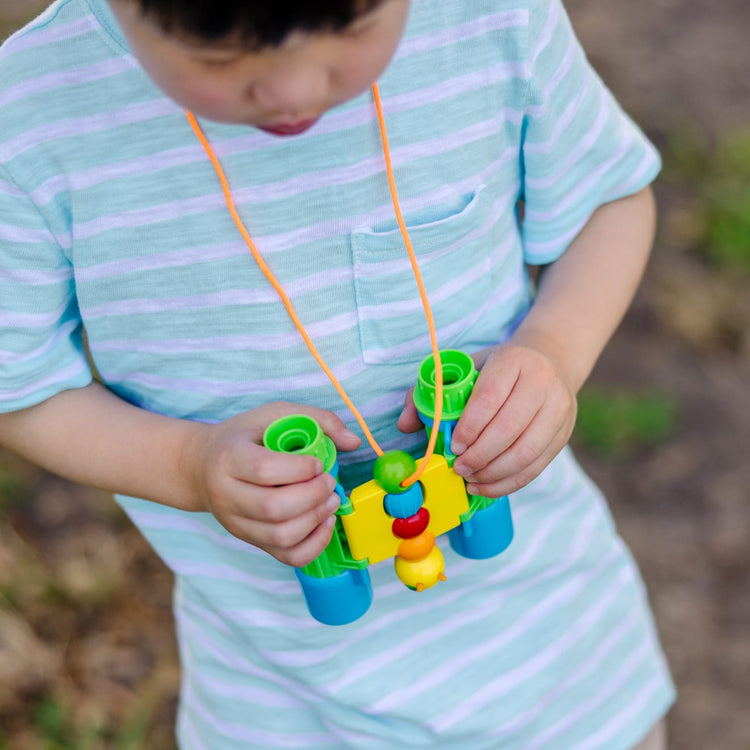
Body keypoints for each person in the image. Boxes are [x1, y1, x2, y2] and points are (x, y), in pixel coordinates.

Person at [0, 0, 675, 747]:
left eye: (353, 30)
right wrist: (189, 466)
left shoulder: (489, 16)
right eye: (219, 58)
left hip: (563, 671)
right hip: (282, 702)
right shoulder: (29, 114)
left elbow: (607, 201)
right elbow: (20, 388)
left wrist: (553, 349)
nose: (294, 91)